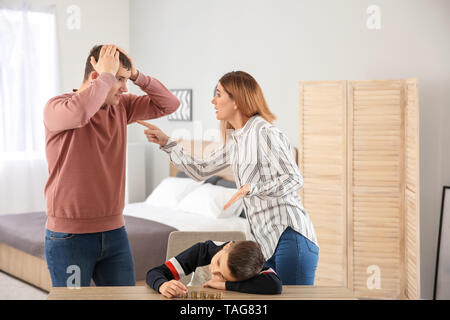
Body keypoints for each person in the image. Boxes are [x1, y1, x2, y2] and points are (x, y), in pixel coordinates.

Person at [137, 70, 319, 285]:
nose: (213, 100)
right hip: (266, 243)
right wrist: (167, 142)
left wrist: (253, 188)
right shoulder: (236, 141)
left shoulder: (265, 133)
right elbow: (201, 170)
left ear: (236, 101)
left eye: (219, 94)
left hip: (290, 235)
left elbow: (294, 179)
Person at [43, 44, 180, 287]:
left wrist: (138, 76)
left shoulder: (121, 107)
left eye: (126, 80)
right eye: (119, 79)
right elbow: (80, 113)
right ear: (97, 76)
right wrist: (106, 76)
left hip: (115, 232)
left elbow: (169, 105)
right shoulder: (57, 107)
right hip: (69, 237)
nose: (125, 88)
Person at [146, 240, 282, 298]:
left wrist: (224, 285)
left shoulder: (250, 265)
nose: (213, 270)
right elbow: (155, 272)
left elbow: (275, 285)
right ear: (226, 246)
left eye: (222, 275)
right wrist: (162, 285)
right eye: (217, 261)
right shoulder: (201, 251)